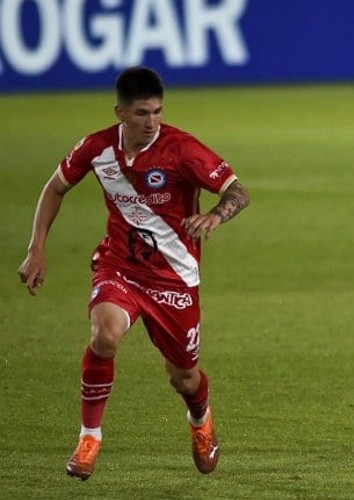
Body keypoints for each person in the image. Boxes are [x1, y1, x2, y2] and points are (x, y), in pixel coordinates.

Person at [17, 66, 250, 480]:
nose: (151, 122)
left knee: (184, 377)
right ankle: (89, 438)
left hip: (174, 278)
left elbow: (237, 190)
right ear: (120, 112)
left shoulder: (183, 150)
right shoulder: (95, 149)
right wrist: (36, 249)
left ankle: (201, 421)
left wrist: (216, 215)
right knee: (104, 335)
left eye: (157, 112)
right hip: (119, 267)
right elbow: (55, 187)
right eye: (142, 113)